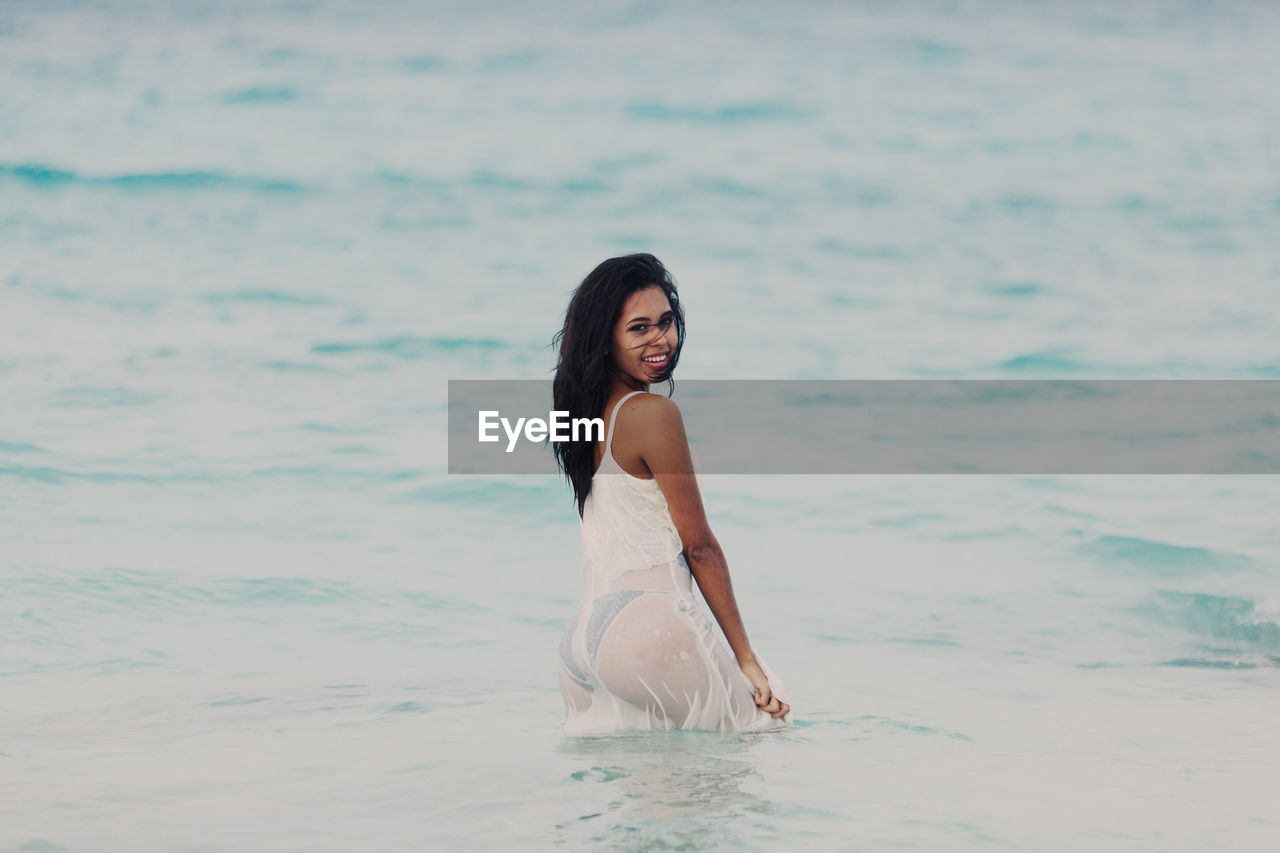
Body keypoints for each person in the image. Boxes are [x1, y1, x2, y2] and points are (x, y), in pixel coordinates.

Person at [552, 253, 791, 733]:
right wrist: (746, 657)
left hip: (583, 639)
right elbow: (698, 545)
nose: (660, 339)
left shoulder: (584, 416)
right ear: (604, 341)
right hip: (648, 626)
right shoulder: (653, 414)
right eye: (639, 328)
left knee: (654, 799)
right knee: (767, 737)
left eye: (666, 322)